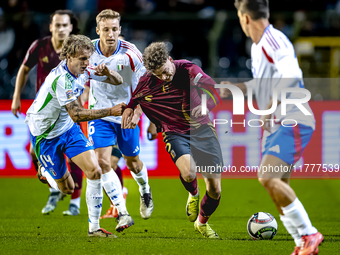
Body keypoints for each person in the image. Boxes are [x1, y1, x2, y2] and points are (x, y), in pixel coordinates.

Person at [220, 1, 323, 254]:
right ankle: (302, 244)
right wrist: (237, 89)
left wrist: (268, 105)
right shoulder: (258, 47)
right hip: (279, 122)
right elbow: (263, 84)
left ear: (245, 18)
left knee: (267, 176)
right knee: (276, 186)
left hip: (293, 116)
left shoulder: (274, 40)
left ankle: (309, 234)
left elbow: (291, 75)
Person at [25, 34, 133, 236]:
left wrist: (108, 73)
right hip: (45, 135)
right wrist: (110, 111)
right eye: (82, 59)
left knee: (94, 171)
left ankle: (94, 229)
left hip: (67, 130)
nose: (87, 63)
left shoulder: (85, 69)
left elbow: (118, 81)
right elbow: (76, 114)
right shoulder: (61, 80)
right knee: (67, 187)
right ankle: (44, 171)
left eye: (88, 58)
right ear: (68, 57)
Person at [122, 42, 223, 238]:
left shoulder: (189, 69)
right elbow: (133, 101)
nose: (164, 78)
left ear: (170, 60)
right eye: (158, 75)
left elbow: (215, 92)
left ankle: (202, 223)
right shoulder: (147, 81)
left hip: (202, 130)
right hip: (174, 131)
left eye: (166, 72)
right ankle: (193, 194)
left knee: (215, 190)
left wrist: (205, 106)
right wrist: (132, 113)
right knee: (188, 173)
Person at [11, 10, 83, 216]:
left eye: (64, 25)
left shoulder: (77, 50)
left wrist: (84, 96)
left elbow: (86, 73)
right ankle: (54, 186)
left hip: (69, 109)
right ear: (50, 27)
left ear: (71, 28)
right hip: (44, 113)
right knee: (35, 153)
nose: (60, 29)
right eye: (57, 25)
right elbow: (24, 69)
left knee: (75, 155)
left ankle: (74, 203)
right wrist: (16, 97)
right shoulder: (40, 46)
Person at [87, 9, 153, 220]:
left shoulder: (131, 54)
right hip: (100, 114)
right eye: (105, 29)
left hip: (127, 113)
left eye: (114, 29)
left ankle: (145, 190)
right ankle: (122, 210)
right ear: (98, 30)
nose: (110, 34)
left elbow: (146, 88)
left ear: (120, 30)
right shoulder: (87, 51)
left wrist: (139, 113)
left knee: (133, 162)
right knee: (103, 162)